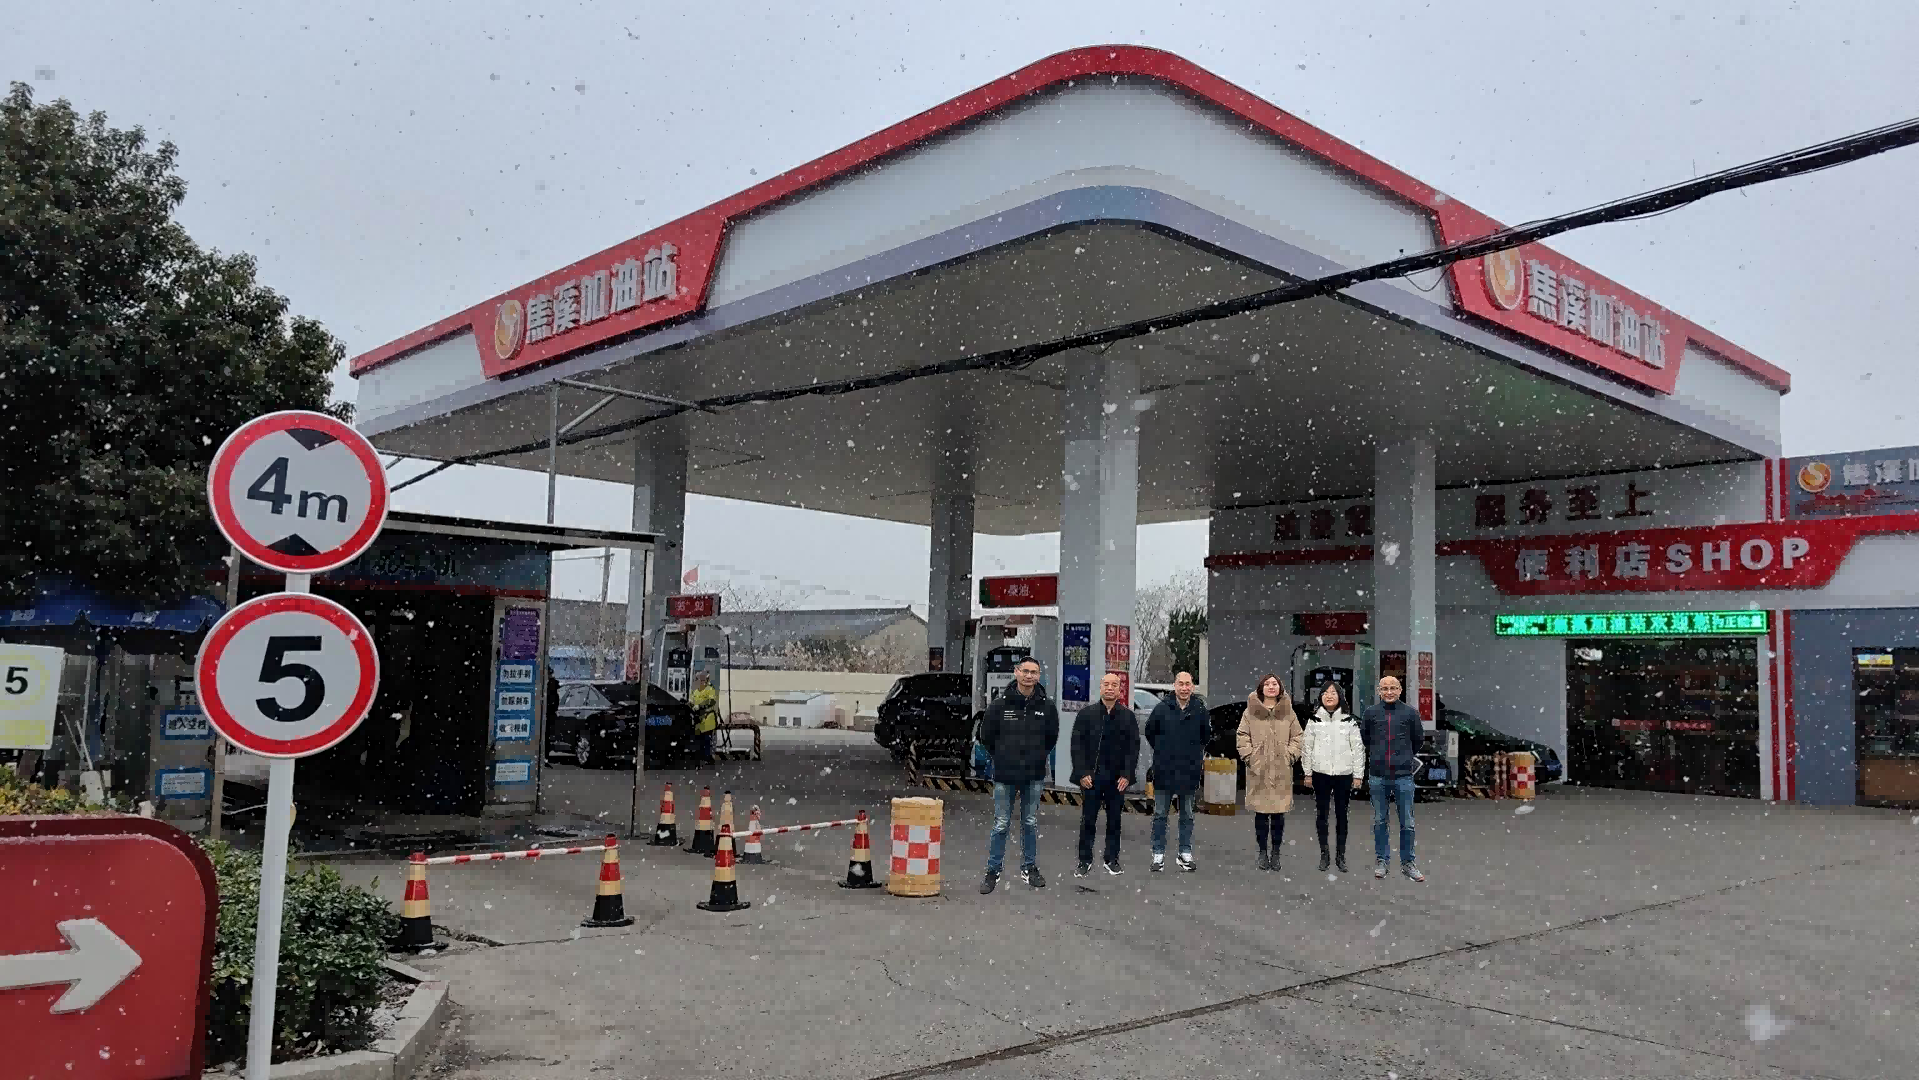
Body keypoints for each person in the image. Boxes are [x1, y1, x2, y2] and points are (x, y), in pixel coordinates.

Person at [976, 657, 1059, 893]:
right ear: (1016, 672)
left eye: (1034, 672)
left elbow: (1051, 738)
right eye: (1025, 671)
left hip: (1033, 774)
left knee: (1030, 822)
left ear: (1039, 675)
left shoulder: (1047, 706)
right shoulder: (1000, 705)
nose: (1029, 676)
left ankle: (1029, 867)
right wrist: (1003, 756)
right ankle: (993, 870)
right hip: (1005, 774)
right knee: (1001, 823)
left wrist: (1036, 756)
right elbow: (986, 736)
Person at [1071, 672, 1140, 877]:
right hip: (1091, 778)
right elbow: (1077, 746)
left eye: (1114, 685)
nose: (1110, 688)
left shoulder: (1128, 717)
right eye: (1106, 684)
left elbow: (1132, 749)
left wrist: (1127, 775)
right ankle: (1084, 860)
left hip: (1116, 779)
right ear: (1100, 688)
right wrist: (1082, 773)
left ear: (1120, 690)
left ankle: (1111, 859)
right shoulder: (1086, 714)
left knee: (1115, 821)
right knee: (1088, 821)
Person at [1361, 675, 1426, 882]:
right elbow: (1366, 739)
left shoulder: (1410, 713)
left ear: (1400, 690)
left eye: (1393, 688)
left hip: (1403, 776)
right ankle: (1382, 861)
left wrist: (1403, 757)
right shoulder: (1370, 713)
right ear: (1379, 691)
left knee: (1407, 822)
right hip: (1378, 776)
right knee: (1380, 821)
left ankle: (1408, 863)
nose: (1389, 692)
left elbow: (1418, 740)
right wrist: (1378, 756)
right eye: (1385, 688)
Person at [1143, 671, 1209, 872]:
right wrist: (1164, 751)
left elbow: (1205, 736)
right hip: (1165, 769)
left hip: (1189, 770)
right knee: (1160, 814)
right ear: (1174, 685)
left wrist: (1193, 754)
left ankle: (1185, 853)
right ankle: (1158, 854)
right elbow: (1150, 732)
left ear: (1193, 687)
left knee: (1187, 814)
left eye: (1188, 684)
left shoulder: (1199, 710)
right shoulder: (1162, 708)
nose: (1184, 688)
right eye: (1181, 684)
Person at [1235, 674, 1302, 871]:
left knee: (1279, 816)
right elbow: (1242, 735)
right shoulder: (1250, 712)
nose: (1271, 687)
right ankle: (1263, 852)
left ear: (1280, 688)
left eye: (1274, 684)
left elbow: (1297, 737)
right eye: (1267, 684)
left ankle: (1276, 853)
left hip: (1281, 771)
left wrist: (1289, 755)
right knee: (1261, 815)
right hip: (1259, 771)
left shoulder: (1288, 712)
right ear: (1261, 688)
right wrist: (1250, 757)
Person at [1300, 681, 1365, 873]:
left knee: (1342, 816)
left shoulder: (1348, 721)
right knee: (1322, 815)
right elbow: (1307, 748)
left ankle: (1340, 855)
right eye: (1326, 693)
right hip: (1320, 774)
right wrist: (1308, 773)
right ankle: (1324, 854)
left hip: (1344, 775)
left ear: (1340, 697)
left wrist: (1358, 775)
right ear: (1320, 697)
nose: (1329, 696)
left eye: (1333, 693)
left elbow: (1358, 749)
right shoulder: (1314, 721)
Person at [690, 670, 720, 766]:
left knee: (707, 740)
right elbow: (692, 702)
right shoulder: (695, 692)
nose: (697, 682)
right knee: (699, 741)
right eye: (696, 680)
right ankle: (701, 758)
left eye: (698, 680)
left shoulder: (710, 689)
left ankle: (708, 758)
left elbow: (711, 701)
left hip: (708, 720)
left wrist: (700, 706)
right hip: (698, 720)